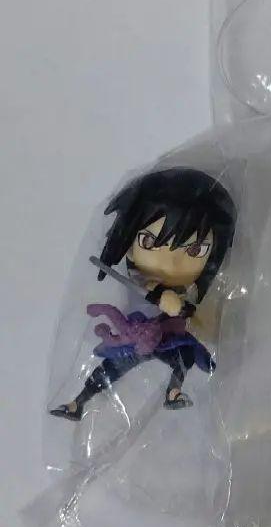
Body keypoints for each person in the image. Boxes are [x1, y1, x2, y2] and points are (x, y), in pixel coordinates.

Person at [50, 167, 236, 421]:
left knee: (186, 355)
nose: (172, 262)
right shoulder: (142, 282)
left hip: (167, 339)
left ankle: (173, 392)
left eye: (195, 251)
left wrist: (195, 316)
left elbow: (190, 313)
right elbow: (150, 293)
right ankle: (77, 403)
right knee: (111, 368)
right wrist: (162, 297)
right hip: (135, 335)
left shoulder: (188, 291)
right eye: (149, 242)